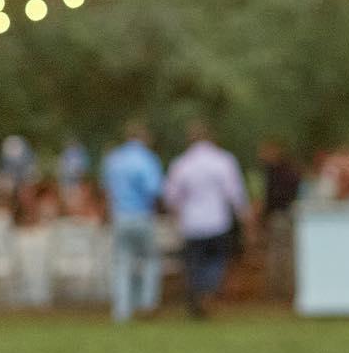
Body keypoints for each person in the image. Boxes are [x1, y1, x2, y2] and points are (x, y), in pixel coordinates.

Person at [164, 120, 249, 318]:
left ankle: (197, 294)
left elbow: (172, 196)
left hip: (191, 223)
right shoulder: (223, 161)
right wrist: (243, 214)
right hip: (217, 221)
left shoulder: (182, 163)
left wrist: (176, 214)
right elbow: (234, 192)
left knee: (194, 263)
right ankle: (207, 293)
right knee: (215, 261)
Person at [100, 121, 166, 323]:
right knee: (150, 261)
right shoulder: (147, 159)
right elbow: (154, 190)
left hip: (119, 217)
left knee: (122, 264)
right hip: (142, 215)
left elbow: (106, 189)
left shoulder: (114, 159)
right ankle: (147, 304)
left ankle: (121, 311)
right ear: (144, 137)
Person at [257, 140, 301, 300]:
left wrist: (265, 214)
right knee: (285, 253)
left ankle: (279, 291)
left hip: (279, 215)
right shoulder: (289, 170)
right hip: (286, 215)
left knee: (279, 253)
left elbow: (271, 197)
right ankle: (285, 290)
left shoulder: (276, 172)